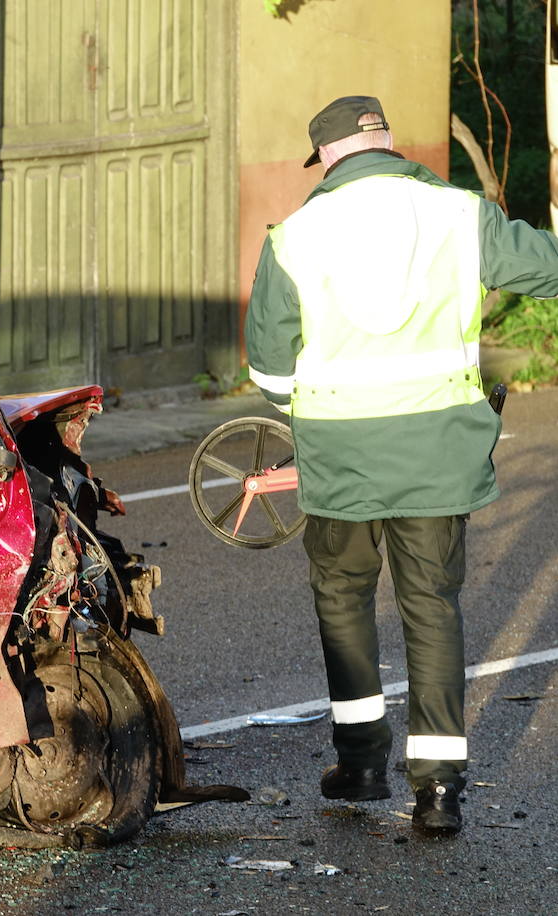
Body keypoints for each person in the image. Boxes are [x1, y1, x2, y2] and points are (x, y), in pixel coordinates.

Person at [245, 95, 558, 835]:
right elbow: (545, 270)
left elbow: (268, 369)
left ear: (324, 157)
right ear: (385, 140)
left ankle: (359, 764)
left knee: (345, 602)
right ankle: (440, 791)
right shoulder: (456, 213)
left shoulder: (293, 236)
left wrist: (314, 406)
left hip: (340, 452)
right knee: (431, 607)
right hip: (436, 448)